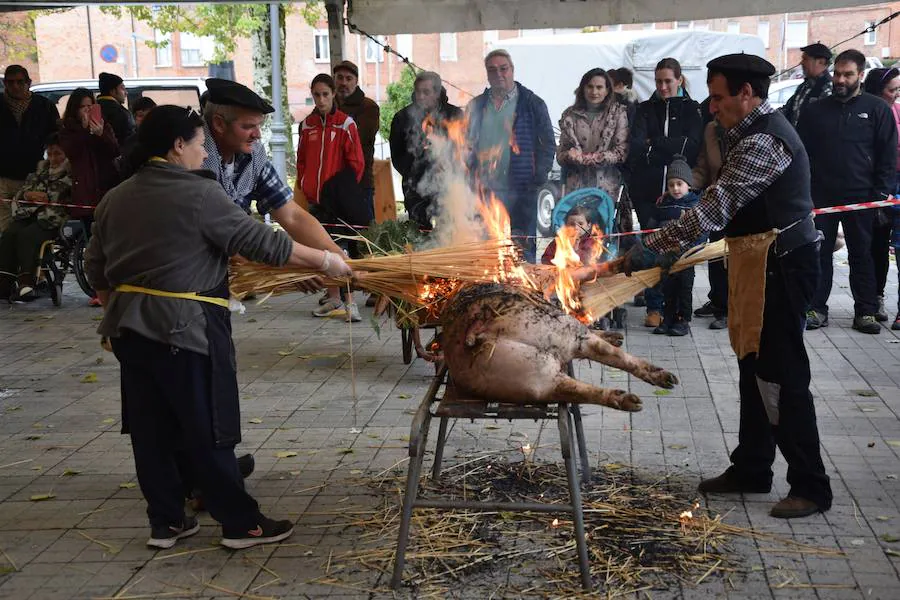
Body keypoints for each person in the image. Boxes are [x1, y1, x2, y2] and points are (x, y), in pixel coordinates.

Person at [84, 105, 352, 550]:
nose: (203, 154)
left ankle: (167, 522)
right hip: (185, 328)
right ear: (177, 146)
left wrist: (115, 319)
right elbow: (262, 242)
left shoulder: (115, 198)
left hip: (129, 332)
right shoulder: (199, 195)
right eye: (197, 144)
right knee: (207, 427)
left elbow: (97, 271)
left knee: (151, 432)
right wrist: (326, 261)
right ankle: (240, 524)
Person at [623, 53, 832, 519]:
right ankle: (753, 467)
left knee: (782, 374)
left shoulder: (765, 140)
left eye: (718, 97)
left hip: (782, 264)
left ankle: (811, 485)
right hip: (756, 260)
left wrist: (647, 252)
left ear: (746, 93)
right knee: (752, 366)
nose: (711, 107)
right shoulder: (740, 132)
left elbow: (714, 209)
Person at [200, 78, 345, 291]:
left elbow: (292, 216)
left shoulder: (252, 153)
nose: (257, 135)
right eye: (248, 126)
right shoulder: (196, 157)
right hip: (186, 288)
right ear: (219, 124)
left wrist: (341, 260)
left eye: (259, 125)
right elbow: (223, 235)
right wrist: (288, 265)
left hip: (219, 287)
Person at [798, 49, 897, 334]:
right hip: (821, 198)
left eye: (848, 74)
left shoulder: (877, 109)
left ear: (861, 75)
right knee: (819, 253)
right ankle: (816, 308)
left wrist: (881, 196)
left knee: (861, 254)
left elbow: (887, 155)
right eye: (837, 73)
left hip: (862, 198)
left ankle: (865, 311)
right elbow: (803, 153)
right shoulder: (815, 110)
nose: (840, 79)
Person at [628, 57, 703, 327]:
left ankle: (678, 310)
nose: (662, 86)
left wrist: (655, 143)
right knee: (651, 249)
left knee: (680, 255)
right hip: (647, 191)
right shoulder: (645, 109)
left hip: (680, 196)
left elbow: (691, 146)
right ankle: (654, 307)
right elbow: (636, 146)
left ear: (679, 80)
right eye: (658, 81)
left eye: (668, 81)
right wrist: (666, 147)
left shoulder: (691, 109)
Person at [466, 49, 556, 263]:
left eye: (503, 68)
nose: (498, 74)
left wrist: (539, 176)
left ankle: (525, 291)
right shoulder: (476, 106)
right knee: (486, 245)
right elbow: (465, 144)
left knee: (522, 246)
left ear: (512, 70)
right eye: (492, 69)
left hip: (523, 188)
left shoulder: (532, 103)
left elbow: (548, 143)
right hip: (485, 189)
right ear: (487, 74)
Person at [295, 73, 365, 322]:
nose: (321, 99)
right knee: (320, 248)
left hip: (337, 198)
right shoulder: (306, 125)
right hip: (315, 197)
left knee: (339, 248)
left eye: (326, 94)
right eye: (317, 94)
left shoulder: (346, 124)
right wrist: (305, 184)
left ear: (334, 94)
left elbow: (356, 163)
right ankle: (334, 297)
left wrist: (340, 190)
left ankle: (350, 301)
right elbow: (301, 159)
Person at [0, 133, 71, 301]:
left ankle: (27, 281)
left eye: (58, 154)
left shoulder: (69, 174)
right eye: (50, 153)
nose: (53, 158)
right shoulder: (40, 171)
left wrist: (44, 196)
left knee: (27, 236)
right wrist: (28, 194)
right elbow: (22, 191)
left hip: (53, 218)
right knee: (9, 233)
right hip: (29, 214)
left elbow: (61, 196)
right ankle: (5, 281)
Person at [389, 70, 463, 228]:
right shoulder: (402, 118)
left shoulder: (455, 116)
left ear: (437, 93)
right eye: (418, 92)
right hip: (415, 190)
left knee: (449, 232)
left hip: (448, 187)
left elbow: (464, 152)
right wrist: (415, 169)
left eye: (426, 92)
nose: (420, 96)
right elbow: (397, 156)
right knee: (420, 234)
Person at [0, 65, 60, 233]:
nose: (16, 86)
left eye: (20, 82)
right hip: (3, 176)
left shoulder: (44, 106)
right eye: (10, 83)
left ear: (29, 82)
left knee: (27, 221)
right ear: (5, 84)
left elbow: (55, 138)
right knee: (4, 227)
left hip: (33, 175)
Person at [557, 68, 630, 202]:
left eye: (599, 87)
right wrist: (569, 155)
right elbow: (561, 154)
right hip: (575, 189)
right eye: (590, 87)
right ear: (583, 89)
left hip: (606, 190)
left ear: (607, 90)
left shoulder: (618, 113)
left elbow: (622, 151)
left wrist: (599, 157)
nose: (594, 92)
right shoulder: (569, 115)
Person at [863, 67, 900, 324]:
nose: (896, 95)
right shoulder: (869, 113)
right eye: (892, 90)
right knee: (875, 243)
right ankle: (872, 297)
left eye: (899, 90)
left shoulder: (896, 110)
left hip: (895, 184)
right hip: (874, 186)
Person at [650, 156, 702, 337]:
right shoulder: (663, 205)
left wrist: (692, 247)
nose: (675, 188)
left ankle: (683, 320)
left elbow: (701, 232)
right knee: (668, 289)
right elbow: (654, 226)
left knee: (684, 289)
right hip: (666, 256)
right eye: (671, 185)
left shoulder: (696, 206)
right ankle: (668, 318)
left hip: (687, 257)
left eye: (680, 184)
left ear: (689, 185)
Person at [692, 102, 729, 330]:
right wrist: (687, 184)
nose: (716, 111)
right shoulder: (710, 130)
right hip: (716, 202)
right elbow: (703, 167)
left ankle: (730, 309)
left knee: (732, 259)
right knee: (715, 254)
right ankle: (718, 300)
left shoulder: (748, 132)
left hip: (741, 204)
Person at [333, 61, 380, 219]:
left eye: (348, 78)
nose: (343, 83)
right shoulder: (327, 105)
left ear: (356, 81)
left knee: (361, 236)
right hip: (330, 183)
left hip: (359, 182)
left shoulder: (368, 107)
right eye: (339, 78)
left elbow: (358, 140)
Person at [781, 42, 833, 129]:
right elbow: (788, 109)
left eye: (805, 59)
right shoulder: (804, 86)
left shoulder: (829, 88)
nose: (801, 63)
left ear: (821, 62)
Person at [97, 72, 136, 146]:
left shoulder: (95, 108)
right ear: (112, 91)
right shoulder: (119, 113)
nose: (126, 92)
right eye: (122, 88)